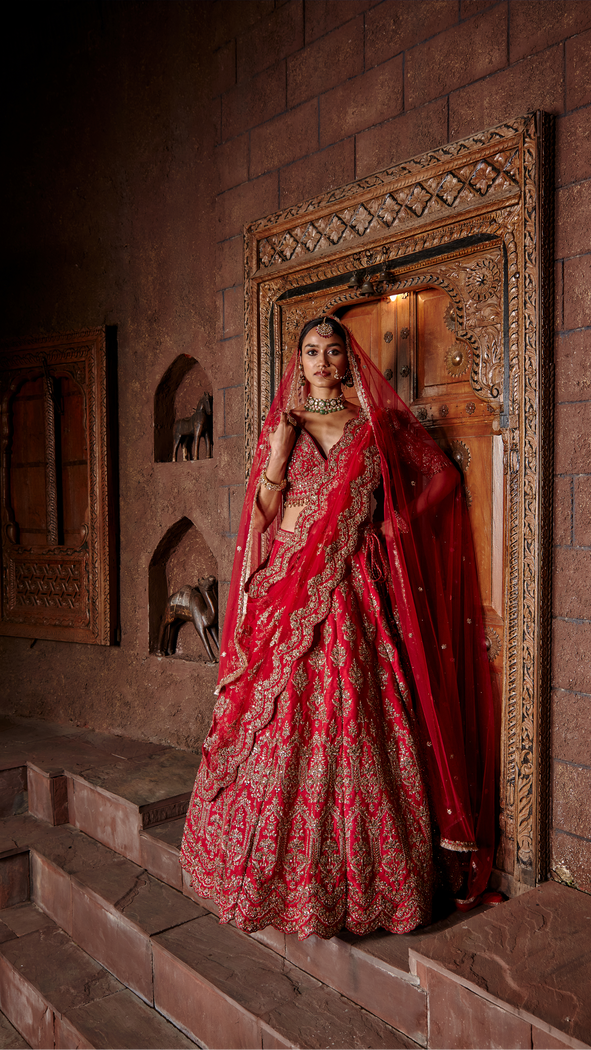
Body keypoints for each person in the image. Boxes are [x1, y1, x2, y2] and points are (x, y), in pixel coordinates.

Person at [180, 316, 497, 940]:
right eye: (311, 352)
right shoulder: (283, 430)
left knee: (356, 721)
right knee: (277, 722)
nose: (323, 361)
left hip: (353, 596)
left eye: (332, 352)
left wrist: (392, 529)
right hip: (288, 589)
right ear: (297, 363)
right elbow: (264, 517)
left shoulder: (373, 431)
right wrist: (276, 455)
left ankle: (361, 885)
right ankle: (269, 874)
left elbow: (441, 478)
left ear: (348, 364)